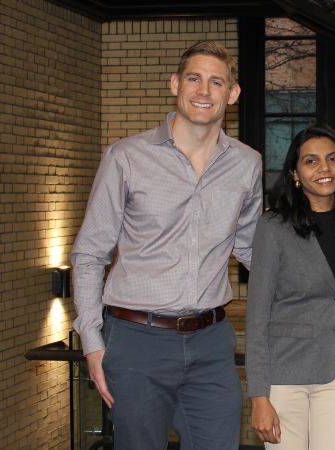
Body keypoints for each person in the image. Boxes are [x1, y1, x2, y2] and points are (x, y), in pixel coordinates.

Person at [70, 41, 262, 449]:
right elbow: (89, 255)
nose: (204, 91)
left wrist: (311, 277)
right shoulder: (125, 157)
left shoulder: (247, 163)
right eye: (194, 78)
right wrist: (92, 342)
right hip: (137, 340)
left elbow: (250, 247)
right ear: (175, 83)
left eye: (216, 81)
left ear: (233, 93)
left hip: (212, 342)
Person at [245, 124, 335, 450]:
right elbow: (257, 316)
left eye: (332, 159)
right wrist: (258, 395)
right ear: (295, 173)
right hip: (285, 374)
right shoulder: (273, 226)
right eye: (311, 161)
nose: (325, 168)